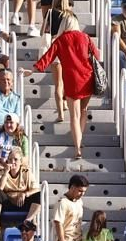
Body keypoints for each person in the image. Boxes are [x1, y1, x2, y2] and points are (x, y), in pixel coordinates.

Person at [31, 21, 100, 166]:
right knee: (83, 110)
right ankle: (79, 139)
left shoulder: (60, 40)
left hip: (72, 79)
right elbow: (98, 56)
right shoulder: (86, 37)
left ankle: (77, 149)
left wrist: (33, 69)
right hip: (87, 77)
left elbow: (47, 57)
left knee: (74, 116)